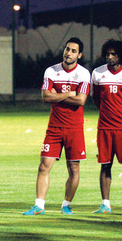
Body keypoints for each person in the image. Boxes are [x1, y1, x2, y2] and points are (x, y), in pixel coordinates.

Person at [23, 37, 91, 215]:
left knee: (74, 168)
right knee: (44, 166)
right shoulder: (51, 71)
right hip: (54, 127)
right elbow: (46, 97)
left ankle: (66, 204)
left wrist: (57, 94)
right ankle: (39, 205)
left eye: (73, 51)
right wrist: (69, 93)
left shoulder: (83, 74)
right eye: (67, 49)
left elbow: (81, 100)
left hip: (75, 128)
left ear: (79, 55)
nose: (69, 53)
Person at [91, 40, 122, 214]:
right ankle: (105, 203)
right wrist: (107, 113)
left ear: (121, 55)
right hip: (104, 127)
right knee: (105, 165)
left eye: (113, 54)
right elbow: (96, 98)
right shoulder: (97, 73)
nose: (110, 57)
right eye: (107, 54)